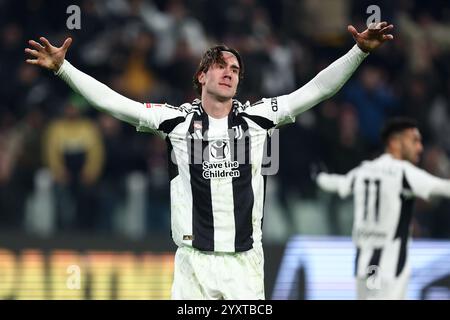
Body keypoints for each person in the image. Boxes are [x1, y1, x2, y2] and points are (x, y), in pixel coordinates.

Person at [25, 22, 394, 299]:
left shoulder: (258, 118)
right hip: (193, 263)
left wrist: (358, 52)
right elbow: (116, 104)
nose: (229, 72)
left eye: (235, 69)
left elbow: (314, 90)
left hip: (244, 263)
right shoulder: (176, 121)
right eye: (221, 65)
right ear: (202, 76)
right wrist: (63, 69)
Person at [315, 117, 450, 299]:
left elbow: (337, 184)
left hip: (364, 268)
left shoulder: (364, 169)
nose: (420, 147)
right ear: (394, 143)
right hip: (390, 268)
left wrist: (318, 176)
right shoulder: (403, 172)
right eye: (414, 141)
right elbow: (441, 188)